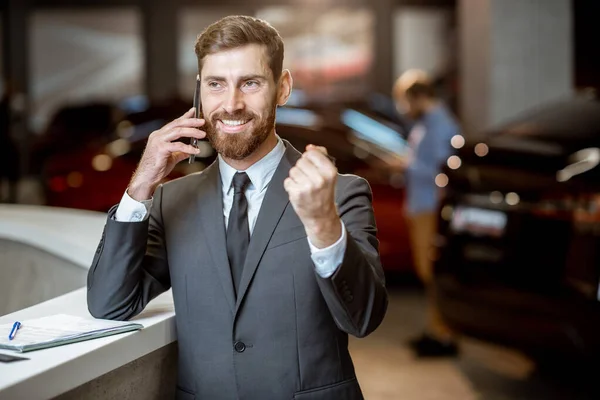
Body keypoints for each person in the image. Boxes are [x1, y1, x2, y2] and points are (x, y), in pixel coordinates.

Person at [87, 15, 387, 399]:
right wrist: (142, 182)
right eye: (216, 84)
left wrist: (323, 224)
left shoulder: (340, 194)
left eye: (250, 83)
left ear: (283, 88)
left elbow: (363, 319)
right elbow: (109, 303)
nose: (231, 104)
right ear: (200, 92)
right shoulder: (171, 200)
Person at [392, 71, 459, 357]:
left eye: (405, 101)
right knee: (426, 271)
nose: (404, 108)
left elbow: (444, 171)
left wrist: (405, 167)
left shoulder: (442, 126)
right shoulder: (428, 124)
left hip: (430, 207)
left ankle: (443, 333)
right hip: (421, 205)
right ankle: (436, 329)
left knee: (432, 272)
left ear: (419, 97)